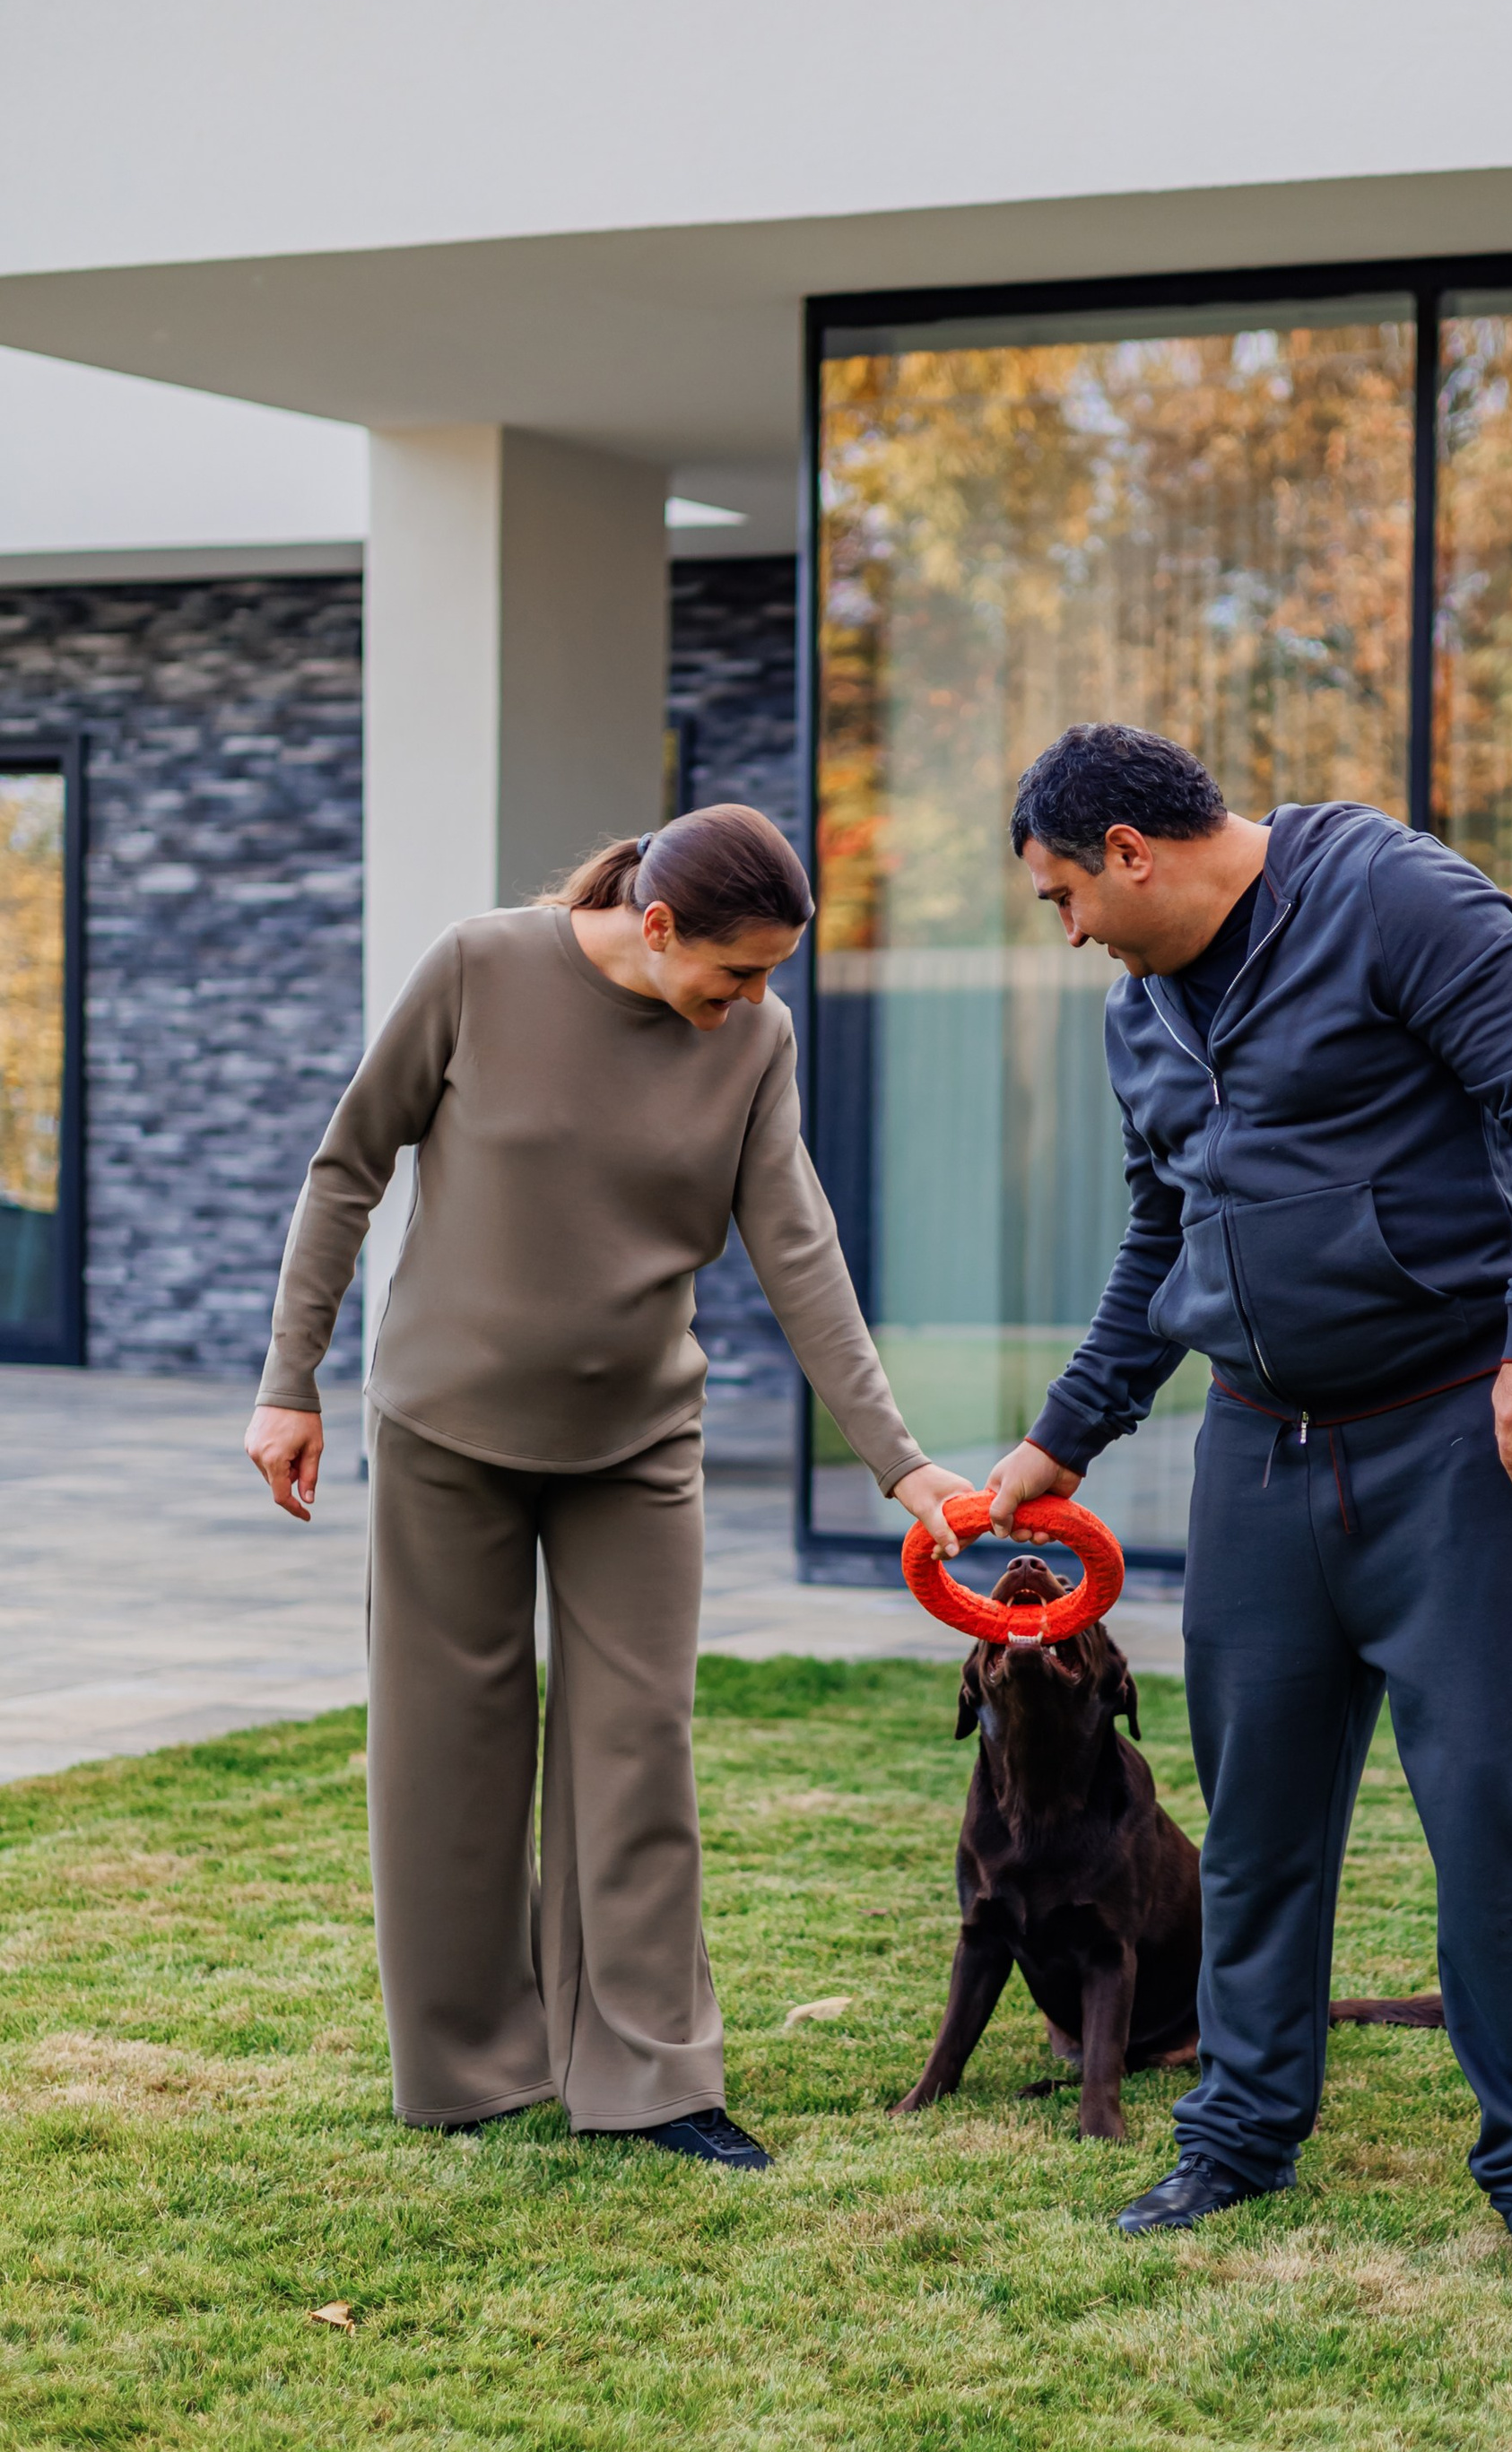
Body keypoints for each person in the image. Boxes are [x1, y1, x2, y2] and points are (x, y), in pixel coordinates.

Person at [984, 725, 1512, 2293]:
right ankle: (1242, 2130)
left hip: (1451, 1441)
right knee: (1256, 1829)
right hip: (1259, 1453)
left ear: (1131, 851)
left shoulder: (1395, 899)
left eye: (1065, 896)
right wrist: (1067, 1434)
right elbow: (1162, 1233)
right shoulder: (1141, 1011)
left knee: (1501, 1827)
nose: (1067, 932)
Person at [244, 804, 969, 2167]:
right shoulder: (479, 966)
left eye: (769, 977)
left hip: (637, 1445)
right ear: (657, 925)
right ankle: (469, 2068)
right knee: (447, 1753)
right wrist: (292, 1379)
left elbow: (798, 1248)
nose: (748, 1001)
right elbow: (348, 1167)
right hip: (447, 1430)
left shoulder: (755, 1040)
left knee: (637, 1755)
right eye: (734, 972)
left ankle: (651, 2079)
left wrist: (902, 1461)